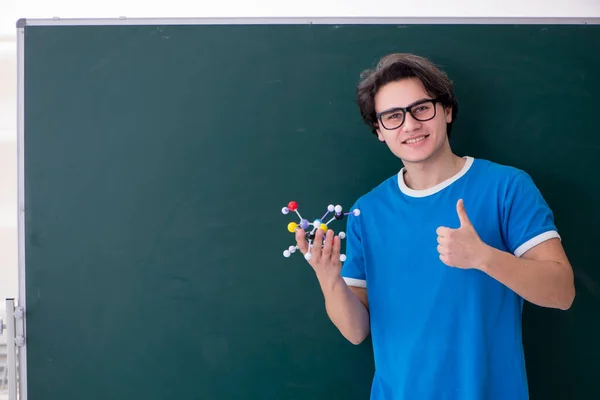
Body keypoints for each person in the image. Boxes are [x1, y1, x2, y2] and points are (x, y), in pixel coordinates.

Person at [294, 53, 575, 400]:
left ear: (447, 111)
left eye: (421, 108)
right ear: (379, 131)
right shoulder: (366, 212)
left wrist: (484, 257)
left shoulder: (506, 187)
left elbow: (562, 292)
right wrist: (328, 277)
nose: (410, 125)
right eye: (393, 117)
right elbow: (355, 331)